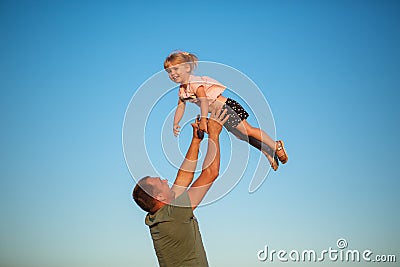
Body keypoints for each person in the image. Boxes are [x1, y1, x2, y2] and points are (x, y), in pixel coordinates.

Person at [133, 108, 229, 267]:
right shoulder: (173, 215)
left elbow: (183, 177)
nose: (165, 180)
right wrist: (214, 134)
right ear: (160, 198)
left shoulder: (160, 215)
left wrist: (196, 140)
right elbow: (211, 173)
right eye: (160, 182)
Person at [164, 51, 288, 171]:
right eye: (169, 71)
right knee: (242, 137)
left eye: (175, 69)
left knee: (248, 130)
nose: (172, 74)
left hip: (227, 108)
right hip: (220, 114)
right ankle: (266, 151)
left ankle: (275, 145)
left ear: (186, 68)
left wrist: (203, 119)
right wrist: (175, 123)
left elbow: (204, 101)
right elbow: (181, 106)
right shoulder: (182, 90)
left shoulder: (194, 83)